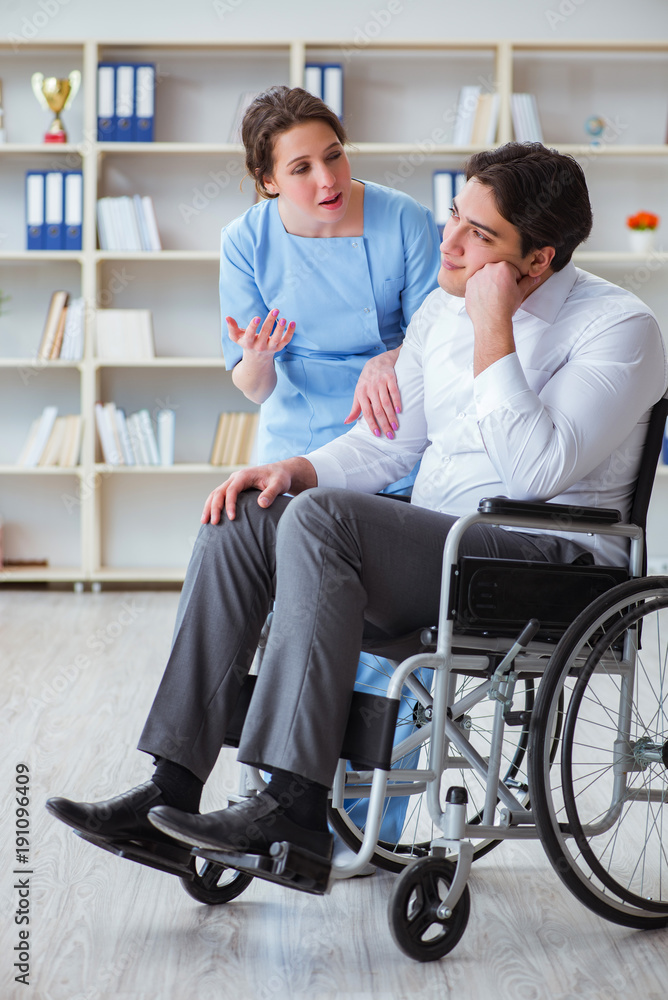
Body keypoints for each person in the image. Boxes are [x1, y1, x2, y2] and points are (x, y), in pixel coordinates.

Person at [47, 142, 667, 869]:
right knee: (249, 512)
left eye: (479, 234)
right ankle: (171, 788)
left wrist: (492, 326)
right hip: (443, 548)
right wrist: (295, 468)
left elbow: (535, 471)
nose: (450, 242)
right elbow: (390, 445)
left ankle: (292, 809)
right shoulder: (443, 306)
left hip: (544, 563)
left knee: (324, 519)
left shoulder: (618, 327)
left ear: (538, 259)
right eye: (454, 215)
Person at [220, 85, 440, 845]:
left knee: (378, 637)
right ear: (268, 180)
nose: (328, 179)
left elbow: (439, 343)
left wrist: (392, 356)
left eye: (335, 155)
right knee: (288, 620)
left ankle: (365, 821)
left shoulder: (405, 221)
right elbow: (252, 384)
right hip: (291, 447)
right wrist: (257, 358)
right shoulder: (245, 240)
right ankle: (273, 794)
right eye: (302, 167)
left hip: (387, 439)